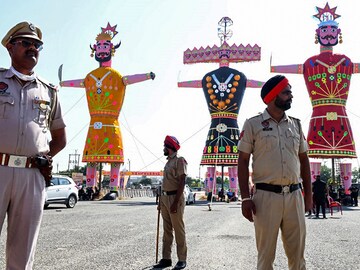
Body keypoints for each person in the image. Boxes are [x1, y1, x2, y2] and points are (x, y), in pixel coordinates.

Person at [0, 22, 66, 269]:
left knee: (23, 250)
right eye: (25, 43)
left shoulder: (49, 91)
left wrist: (44, 158)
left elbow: (60, 138)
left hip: (31, 174)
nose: (32, 48)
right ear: (10, 47)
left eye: (36, 45)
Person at [237, 75, 312, 270]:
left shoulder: (296, 124)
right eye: (286, 92)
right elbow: (243, 161)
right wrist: (245, 198)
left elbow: (304, 160)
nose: (291, 95)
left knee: (298, 258)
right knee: (265, 258)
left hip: (295, 196)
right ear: (272, 96)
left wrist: (309, 195)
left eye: (290, 91)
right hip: (265, 198)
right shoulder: (253, 124)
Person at [154, 136, 187, 270]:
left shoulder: (180, 160)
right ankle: (166, 258)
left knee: (178, 230)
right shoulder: (168, 162)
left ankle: (182, 259)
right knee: (167, 230)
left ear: (170, 147)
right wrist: (161, 201)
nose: (163, 149)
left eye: (165, 147)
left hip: (175, 198)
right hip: (165, 198)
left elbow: (182, 182)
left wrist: (175, 202)